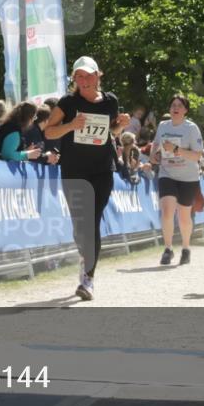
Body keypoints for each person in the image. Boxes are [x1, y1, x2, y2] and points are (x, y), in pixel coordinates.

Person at [44, 56, 129, 300]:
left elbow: (110, 132)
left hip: (102, 170)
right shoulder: (68, 102)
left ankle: (88, 279)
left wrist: (120, 126)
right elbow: (49, 131)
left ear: (98, 75)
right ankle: (85, 257)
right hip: (74, 171)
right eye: (79, 76)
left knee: (91, 222)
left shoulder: (111, 101)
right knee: (81, 226)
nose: (84, 80)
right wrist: (71, 126)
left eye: (88, 75)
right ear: (74, 79)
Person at [149, 94, 204, 266]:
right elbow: (156, 144)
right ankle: (168, 249)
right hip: (167, 173)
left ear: (185, 110)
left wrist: (176, 149)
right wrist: (154, 155)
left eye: (179, 105)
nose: (175, 108)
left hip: (188, 177)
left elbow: (197, 155)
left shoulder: (191, 128)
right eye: (173, 105)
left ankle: (186, 248)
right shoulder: (163, 126)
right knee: (166, 211)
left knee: (184, 216)